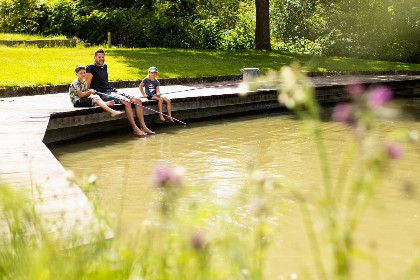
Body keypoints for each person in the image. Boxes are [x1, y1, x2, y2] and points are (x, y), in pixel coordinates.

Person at [85, 48, 155, 137]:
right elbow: (87, 85)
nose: (102, 59)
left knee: (138, 101)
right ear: (94, 57)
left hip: (111, 90)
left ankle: (143, 126)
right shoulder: (91, 67)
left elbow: (104, 81)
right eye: (99, 57)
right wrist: (88, 95)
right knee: (126, 102)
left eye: (103, 57)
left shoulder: (104, 66)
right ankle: (135, 129)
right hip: (102, 93)